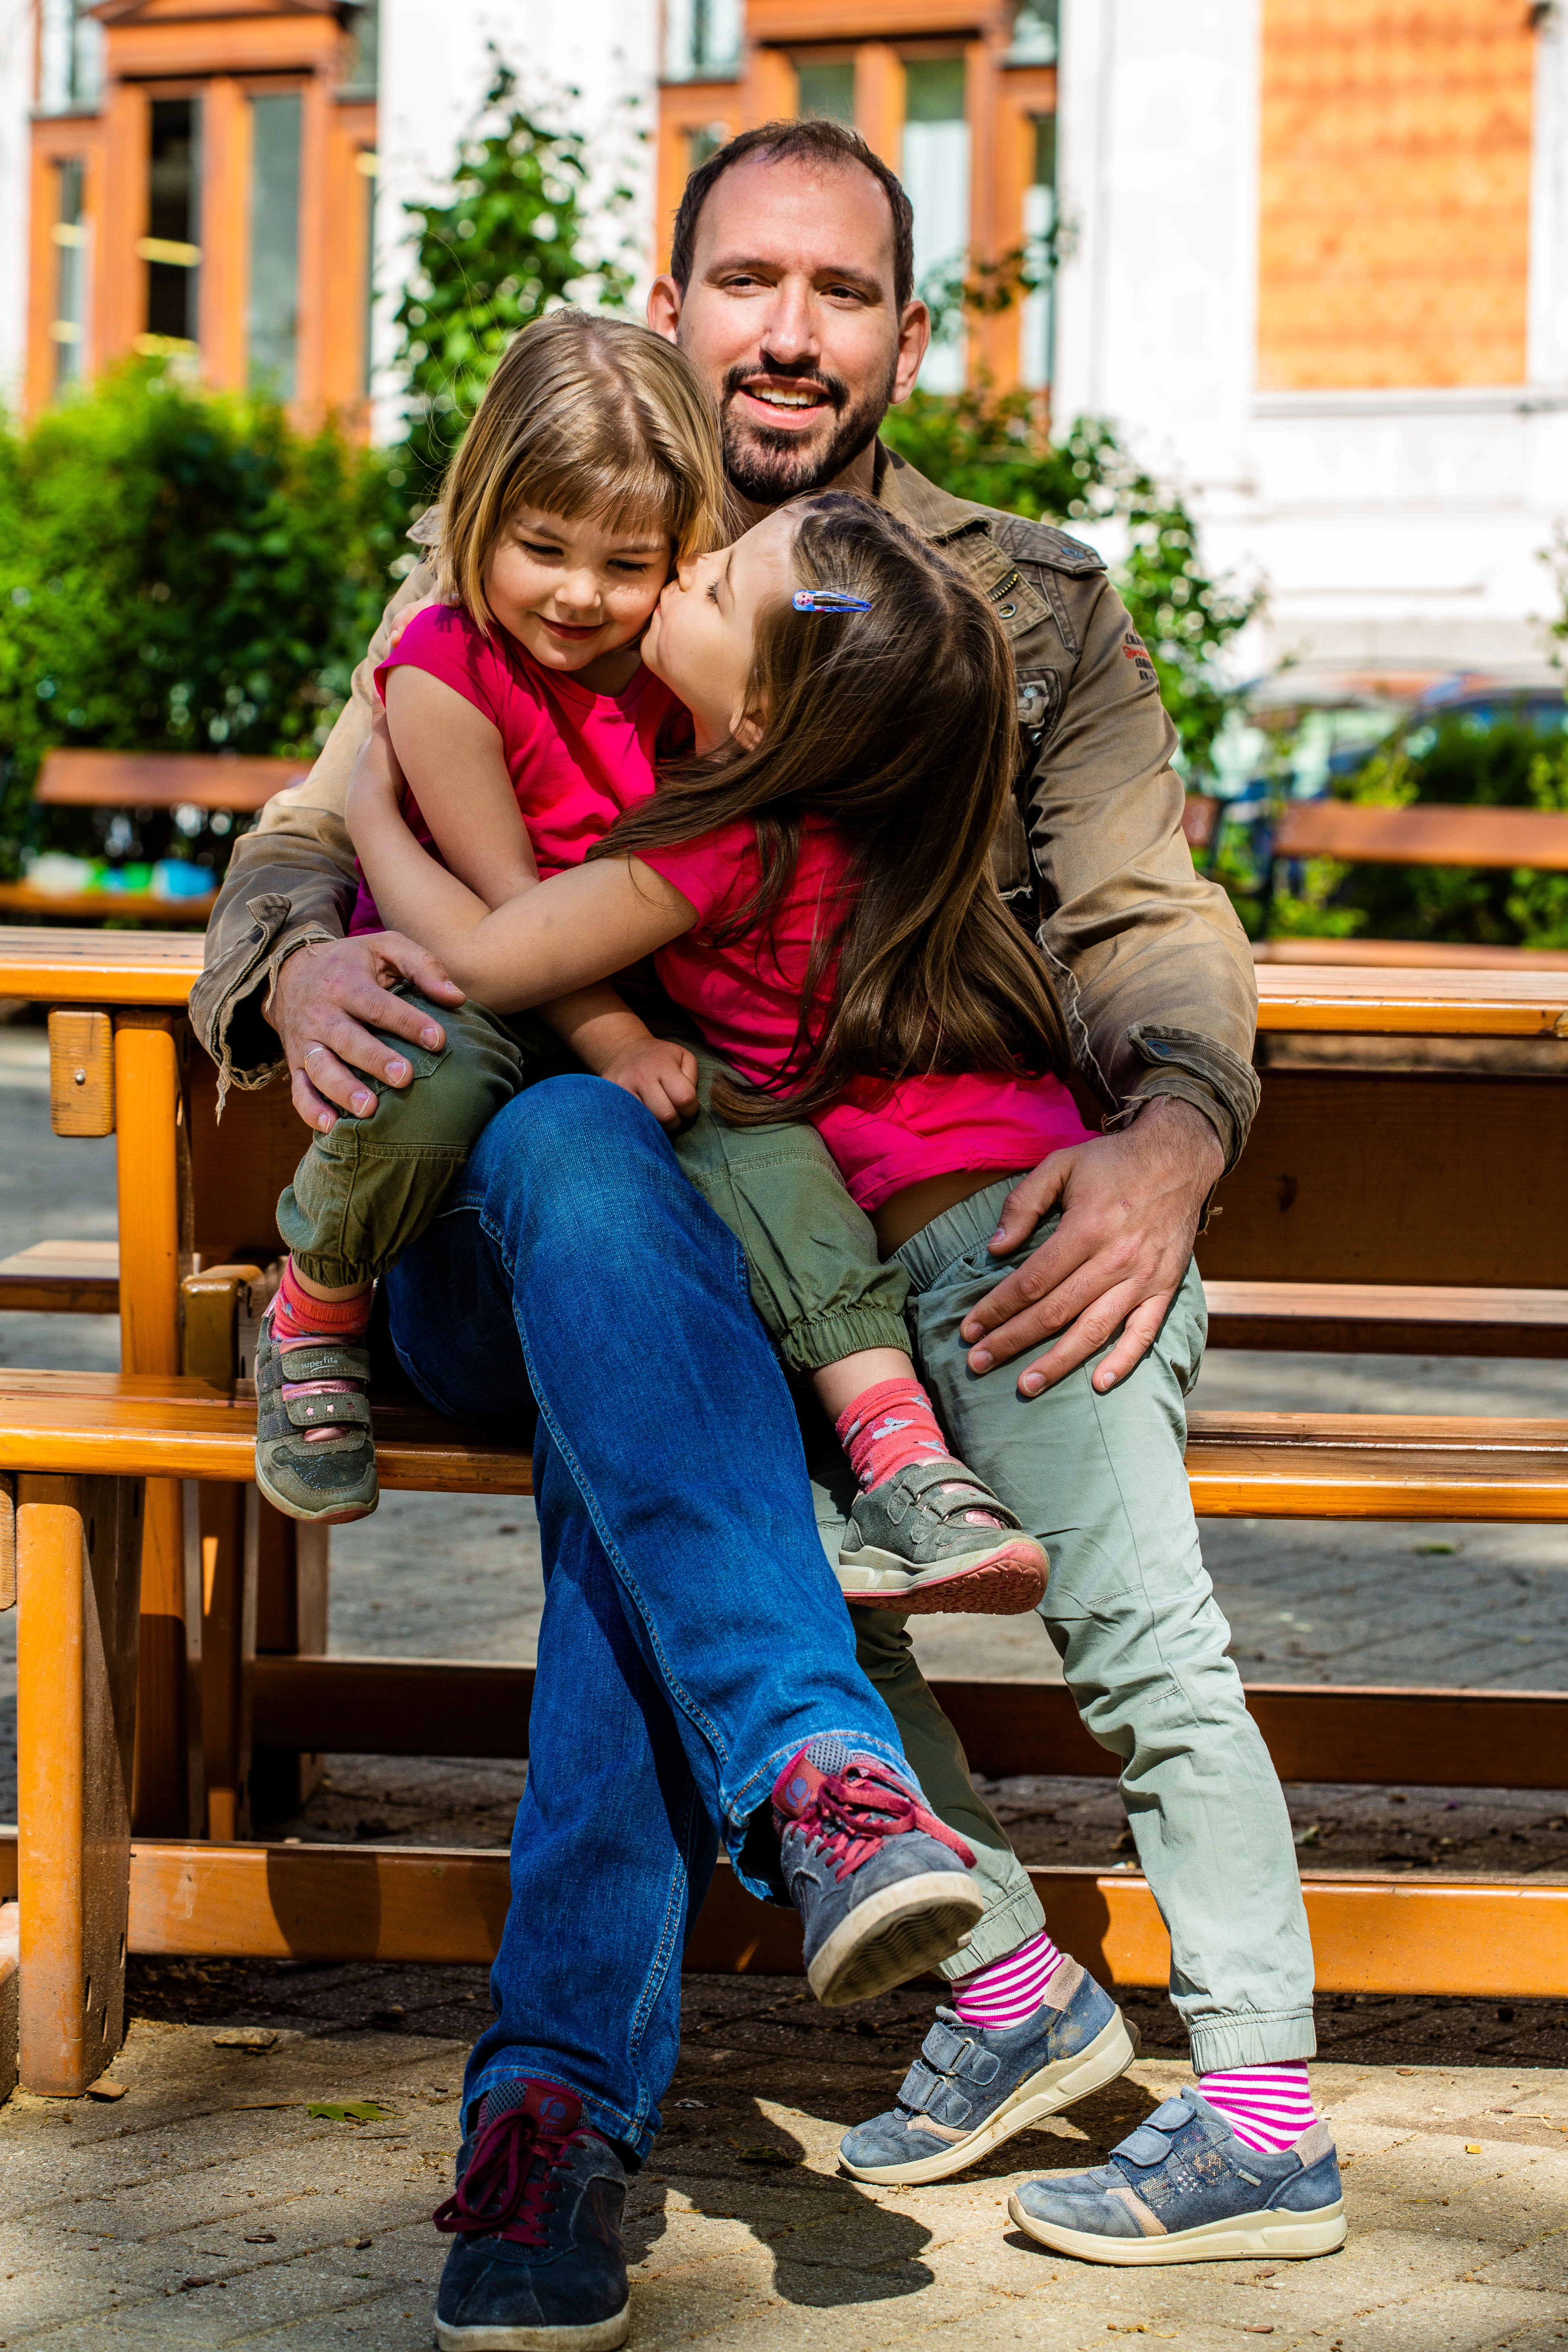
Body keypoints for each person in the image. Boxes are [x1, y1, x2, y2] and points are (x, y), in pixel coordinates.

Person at [192, 114, 1341, 2335]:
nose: (788, 331)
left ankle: (553, 2112)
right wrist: (297, 955)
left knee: (639, 1339)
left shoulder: (1010, 604)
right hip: (533, 1242)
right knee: (574, 1162)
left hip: (790, 1268)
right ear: (672, 296)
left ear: (905, 333)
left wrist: (1174, 1131)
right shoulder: (568, 509)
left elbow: (1145, 909)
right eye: (748, 281)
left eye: (839, 291)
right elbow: (313, 817)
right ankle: (823, 1796)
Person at [260, 308, 1048, 1616]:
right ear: (479, 519)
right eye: (540, 549)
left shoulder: (684, 655)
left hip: (628, 1001)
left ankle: (894, 1436)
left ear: (689, 548)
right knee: (428, 1075)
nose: (580, 596)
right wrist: (376, 818)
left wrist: (942, 608)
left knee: (767, 1142)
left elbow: (827, 603)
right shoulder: (445, 671)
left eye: (630, 563)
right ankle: (316, 1303)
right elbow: (509, 927)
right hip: (482, 980)